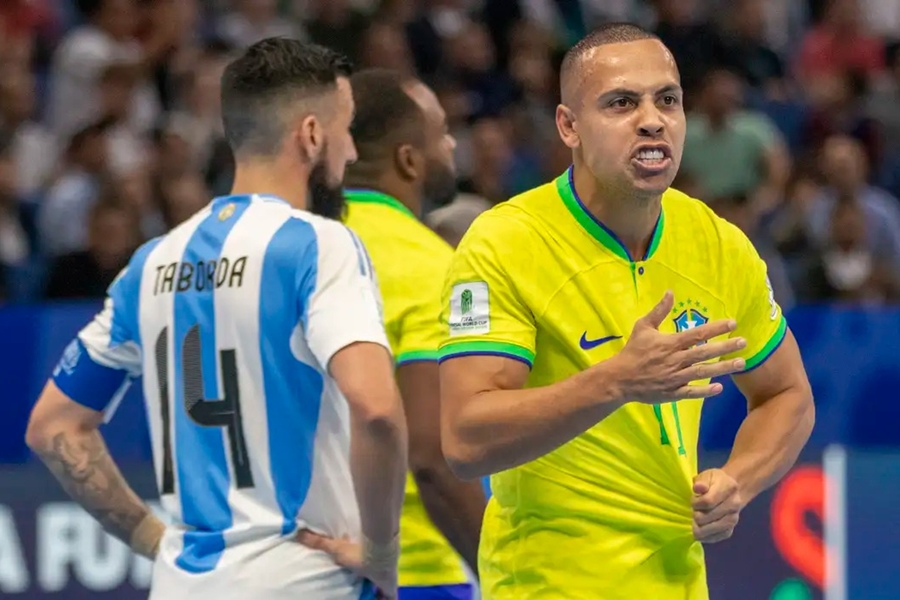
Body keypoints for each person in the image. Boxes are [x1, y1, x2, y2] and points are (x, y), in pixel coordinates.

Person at [437, 23, 816, 600]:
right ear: (569, 126)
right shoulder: (505, 242)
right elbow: (466, 441)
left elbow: (787, 395)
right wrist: (616, 381)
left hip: (679, 584)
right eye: (621, 103)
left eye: (667, 99)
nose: (651, 119)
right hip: (546, 585)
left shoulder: (719, 245)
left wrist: (737, 480)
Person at [25, 38, 408, 600]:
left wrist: (152, 538)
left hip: (182, 584)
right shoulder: (318, 245)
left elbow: (52, 425)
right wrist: (381, 550)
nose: (350, 152)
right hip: (304, 578)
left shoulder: (152, 261)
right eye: (346, 129)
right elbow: (376, 410)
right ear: (310, 134)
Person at [300, 68, 486, 600]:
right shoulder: (437, 267)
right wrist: (505, 574)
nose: (452, 144)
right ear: (409, 159)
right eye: (442, 132)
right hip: (415, 570)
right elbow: (433, 461)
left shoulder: (292, 248)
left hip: (297, 561)